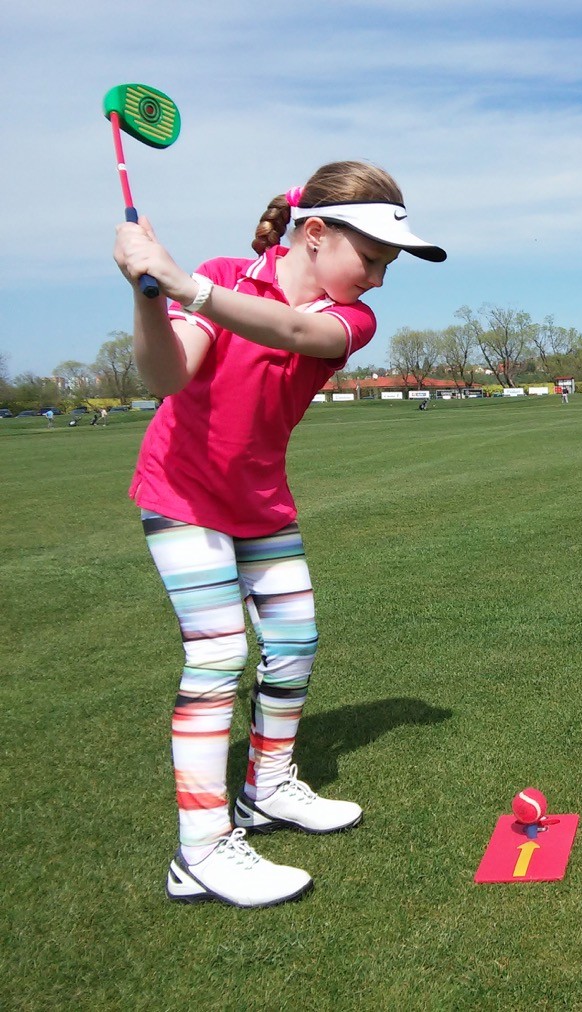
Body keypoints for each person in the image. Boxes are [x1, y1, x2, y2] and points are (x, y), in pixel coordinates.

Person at [113, 160, 445, 908]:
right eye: (371, 259)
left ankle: (266, 788)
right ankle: (200, 851)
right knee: (218, 655)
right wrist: (149, 293)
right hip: (181, 493)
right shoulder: (222, 276)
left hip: (261, 501)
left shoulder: (349, 319)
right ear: (315, 232)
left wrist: (184, 286)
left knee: (295, 641)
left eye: (386, 267)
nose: (377, 280)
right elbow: (167, 376)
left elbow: (293, 329)